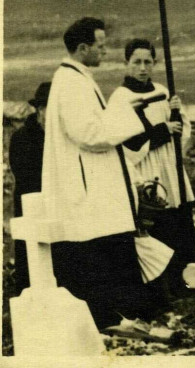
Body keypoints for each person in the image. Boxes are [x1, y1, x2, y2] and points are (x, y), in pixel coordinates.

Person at [42, 17, 162, 330]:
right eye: (101, 45)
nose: (105, 51)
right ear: (83, 48)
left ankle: (113, 319)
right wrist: (125, 114)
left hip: (90, 185)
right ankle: (106, 322)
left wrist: (124, 112)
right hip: (85, 189)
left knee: (101, 254)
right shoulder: (70, 83)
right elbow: (89, 134)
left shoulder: (78, 78)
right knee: (94, 255)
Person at [109, 38, 195, 297]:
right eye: (136, 62)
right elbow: (125, 142)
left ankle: (188, 281)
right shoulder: (120, 98)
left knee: (180, 221)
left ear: (155, 63)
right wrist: (162, 131)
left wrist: (176, 115)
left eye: (148, 62)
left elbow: (182, 132)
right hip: (146, 170)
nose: (142, 67)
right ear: (126, 64)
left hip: (170, 166)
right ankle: (163, 289)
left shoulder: (161, 90)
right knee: (157, 224)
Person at [8, 82, 50, 295]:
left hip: (54, 202)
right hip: (31, 201)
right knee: (31, 251)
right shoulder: (23, 137)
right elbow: (26, 175)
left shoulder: (58, 136)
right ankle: (25, 288)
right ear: (40, 110)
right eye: (47, 109)